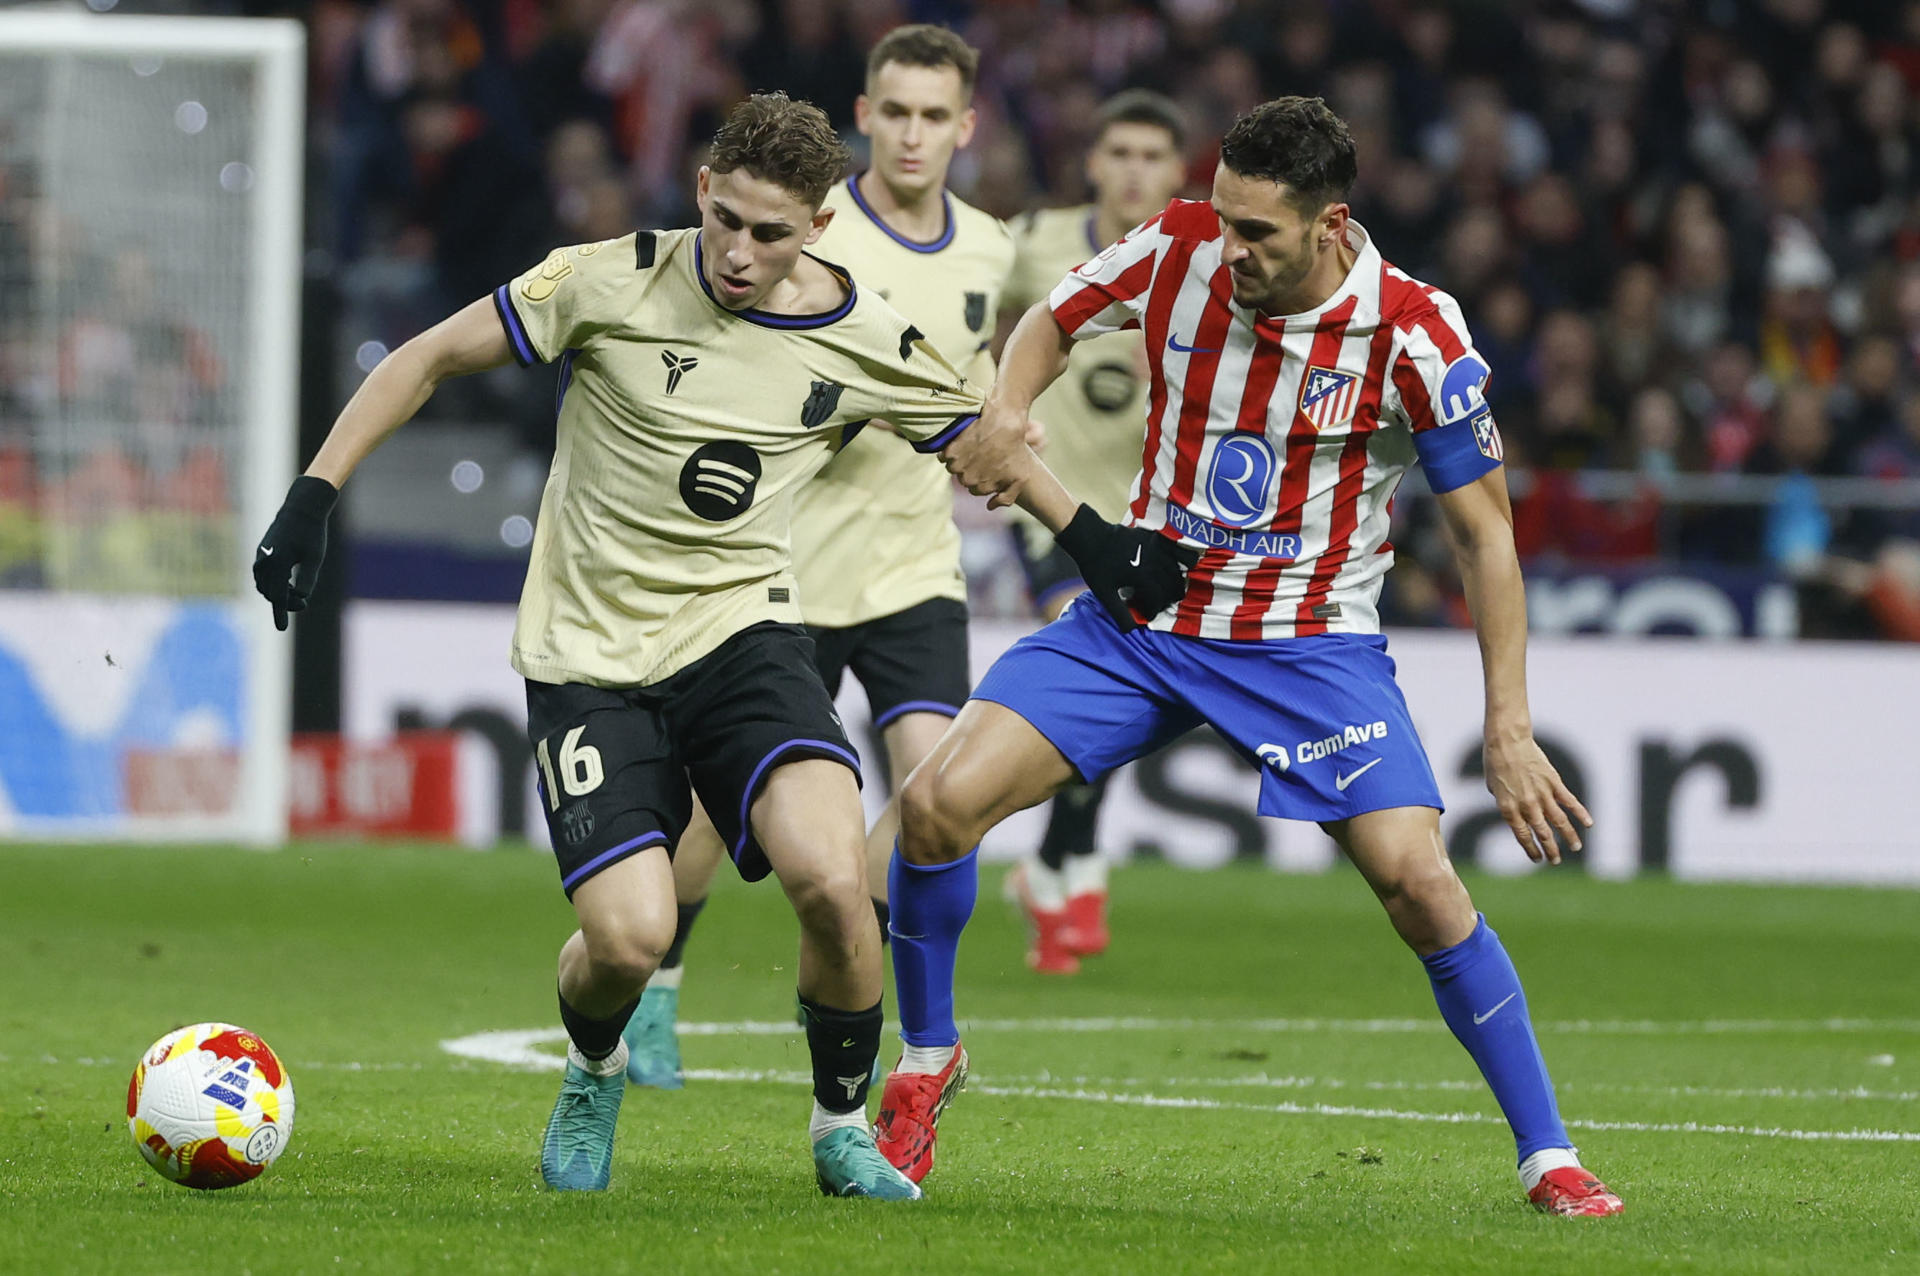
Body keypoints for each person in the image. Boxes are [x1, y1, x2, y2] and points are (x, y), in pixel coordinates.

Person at [251, 91, 1191, 1200]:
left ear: (820, 227)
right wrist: (312, 496)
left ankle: (841, 1131)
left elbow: (984, 441)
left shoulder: (867, 334)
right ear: (702, 189)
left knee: (837, 883)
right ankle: (595, 1064)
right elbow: (422, 358)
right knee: (630, 938)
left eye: (771, 231)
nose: (740, 254)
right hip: (589, 658)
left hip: (743, 638)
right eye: (727, 220)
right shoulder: (606, 279)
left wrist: (1095, 543)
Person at [872, 96, 1625, 1218]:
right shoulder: (1178, 246)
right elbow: (1051, 320)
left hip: (1307, 644)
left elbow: (1485, 534)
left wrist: (1507, 724)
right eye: (1223, 218)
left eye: (1257, 232)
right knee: (934, 807)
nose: (1230, 249)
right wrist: (1011, 408)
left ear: (1330, 225)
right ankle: (926, 1062)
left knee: (1420, 884)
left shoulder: (1415, 331)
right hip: (1144, 621)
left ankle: (1548, 1153)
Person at [622, 25, 1018, 1089]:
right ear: (866, 115)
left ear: (966, 126)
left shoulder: (990, 247)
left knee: (941, 794)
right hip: (789, 567)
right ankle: (657, 988)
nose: (913, 134)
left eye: (936, 116)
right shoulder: (815, 238)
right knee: (716, 803)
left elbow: (981, 381)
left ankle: (863, 961)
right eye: (895, 112)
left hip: (913, 568)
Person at [998, 88, 1190, 975]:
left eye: (1153, 156)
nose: (1134, 170)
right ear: (1093, 164)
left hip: (1159, 516)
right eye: (1120, 152)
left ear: (1178, 171)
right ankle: (1070, 869)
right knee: (1112, 659)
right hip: (1058, 511)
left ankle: (1055, 863)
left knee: (1134, 697)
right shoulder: (1035, 242)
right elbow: (973, 321)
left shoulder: (1207, 263)